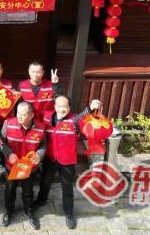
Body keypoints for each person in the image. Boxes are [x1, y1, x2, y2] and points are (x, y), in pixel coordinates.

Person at [37, 95, 101, 229]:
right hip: (50, 158)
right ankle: (41, 200)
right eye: (59, 106)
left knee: (67, 188)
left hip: (66, 161)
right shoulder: (47, 117)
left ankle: (69, 212)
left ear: (70, 108)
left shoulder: (74, 120)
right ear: (54, 106)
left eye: (65, 106)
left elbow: (83, 115)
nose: (61, 109)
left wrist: (91, 107)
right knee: (45, 182)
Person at [0, 102, 45, 230]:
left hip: (30, 167)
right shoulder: (8, 123)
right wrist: (8, 153)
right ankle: (8, 211)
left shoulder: (41, 127)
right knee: (10, 190)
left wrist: (39, 155)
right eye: (18, 113)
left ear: (31, 115)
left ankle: (28, 212)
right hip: (12, 166)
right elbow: (1, 142)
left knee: (28, 191)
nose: (19, 116)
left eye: (23, 114)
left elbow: (43, 145)